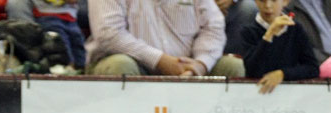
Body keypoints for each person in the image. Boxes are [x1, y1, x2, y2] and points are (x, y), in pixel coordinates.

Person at [85, 0, 245, 77]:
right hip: (136, 66)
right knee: (120, 64)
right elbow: (108, 34)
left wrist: (200, 64)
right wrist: (160, 60)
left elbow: (213, 27)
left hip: (187, 69)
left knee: (232, 66)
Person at [240, 0, 319, 94]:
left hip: (291, 95)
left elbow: (312, 68)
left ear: (285, 2)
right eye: (262, 1)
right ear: (256, 1)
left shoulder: (296, 29)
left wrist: (282, 74)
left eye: (274, 1)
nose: (268, 6)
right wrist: (268, 36)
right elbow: (253, 71)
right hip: (257, 93)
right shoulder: (247, 31)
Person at [3, 0, 86, 70]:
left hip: (71, 18)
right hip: (47, 16)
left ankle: (81, 75)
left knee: (80, 55)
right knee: (63, 55)